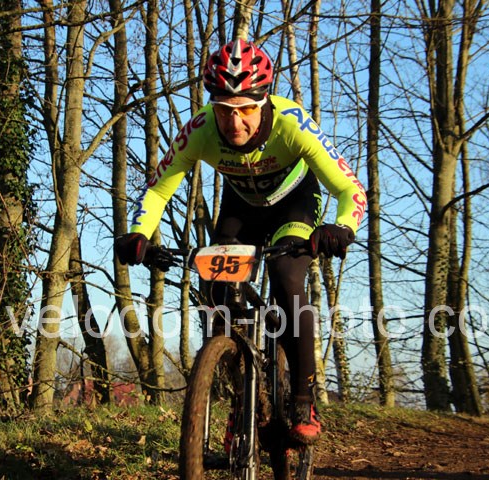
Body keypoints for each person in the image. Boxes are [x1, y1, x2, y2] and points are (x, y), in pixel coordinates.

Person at [114, 39, 366, 444]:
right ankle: (242, 401)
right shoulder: (200, 129)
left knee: (286, 277)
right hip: (241, 207)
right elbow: (159, 188)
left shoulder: (292, 123)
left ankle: (304, 398)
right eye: (224, 111)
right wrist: (140, 233)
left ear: (264, 101)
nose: (234, 124)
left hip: (294, 205)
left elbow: (349, 188)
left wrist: (341, 227)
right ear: (212, 106)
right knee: (216, 288)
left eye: (246, 109)